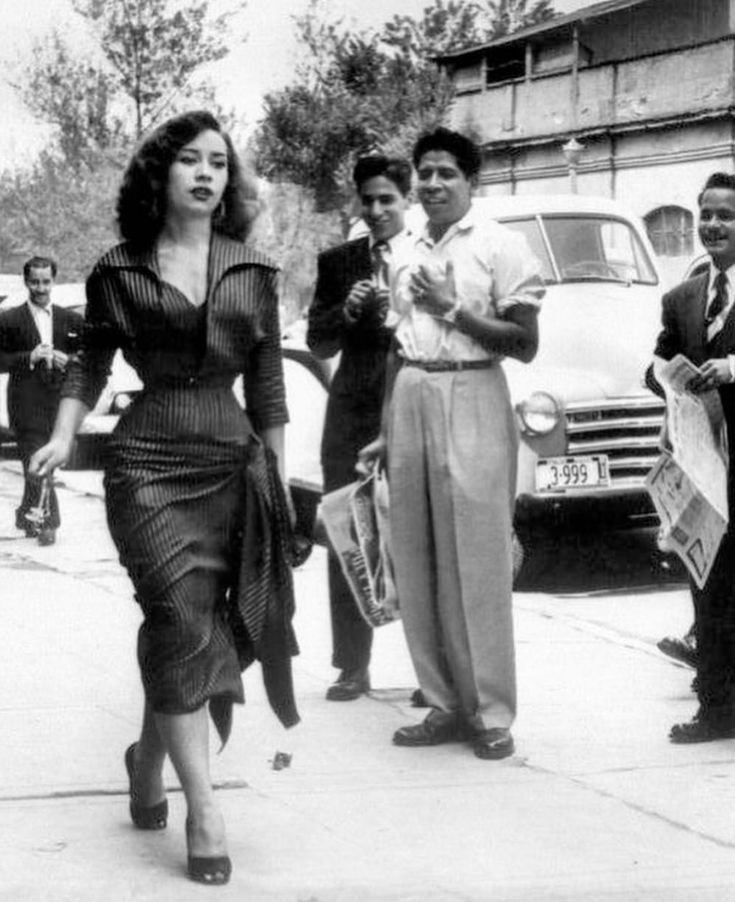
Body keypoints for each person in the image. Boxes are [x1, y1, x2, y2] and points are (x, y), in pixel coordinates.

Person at [30, 110, 297, 884]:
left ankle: (146, 767)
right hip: (145, 461)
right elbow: (88, 369)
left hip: (231, 460)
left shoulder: (255, 271)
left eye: (219, 161)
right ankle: (204, 808)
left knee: (196, 628)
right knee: (179, 617)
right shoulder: (118, 269)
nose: (207, 173)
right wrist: (59, 434)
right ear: (161, 174)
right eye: (190, 160)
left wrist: (276, 480)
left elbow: (270, 387)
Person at [359, 128, 544, 760]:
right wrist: (386, 430)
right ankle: (440, 702)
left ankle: (490, 712)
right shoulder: (401, 246)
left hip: (473, 391)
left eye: (447, 174)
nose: (433, 184)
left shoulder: (501, 244)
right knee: (415, 554)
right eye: (426, 174)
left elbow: (523, 343)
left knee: (477, 559)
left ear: (472, 182)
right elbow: (395, 342)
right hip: (412, 394)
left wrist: (451, 308)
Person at [307, 155, 412, 701]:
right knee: (347, 532)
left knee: (418, 534)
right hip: (350, 409)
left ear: (405, 200)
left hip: (411, 405)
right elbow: (318, 342)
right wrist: (346, 313)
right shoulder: (339, 260)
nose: (376, 210)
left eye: (386, 199)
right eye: (368, 200)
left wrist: (403, 308)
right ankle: (352, 664)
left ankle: (433, 672)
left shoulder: (426, 254)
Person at [646, 171, 735, 743]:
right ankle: (716, 706)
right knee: (709, 584)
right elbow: (654, 366)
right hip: (705, 466)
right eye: (706, 214)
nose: (713, 225)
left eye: (726, 215)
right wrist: (673, 381)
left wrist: (730, 371)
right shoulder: (681, 298)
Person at [0, 257, 84, 546]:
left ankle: (26, 512)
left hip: (59, 406)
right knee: (37, 461)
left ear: (53, 281)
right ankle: (49, 522)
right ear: (26, 282)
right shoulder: (9, 319)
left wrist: (69, 360)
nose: (40, 287)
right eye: (35, 281)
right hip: (26, 405)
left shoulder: (71, 320)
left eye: (45, 281)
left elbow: (89, 361)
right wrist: (29, 358)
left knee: (38, 465)